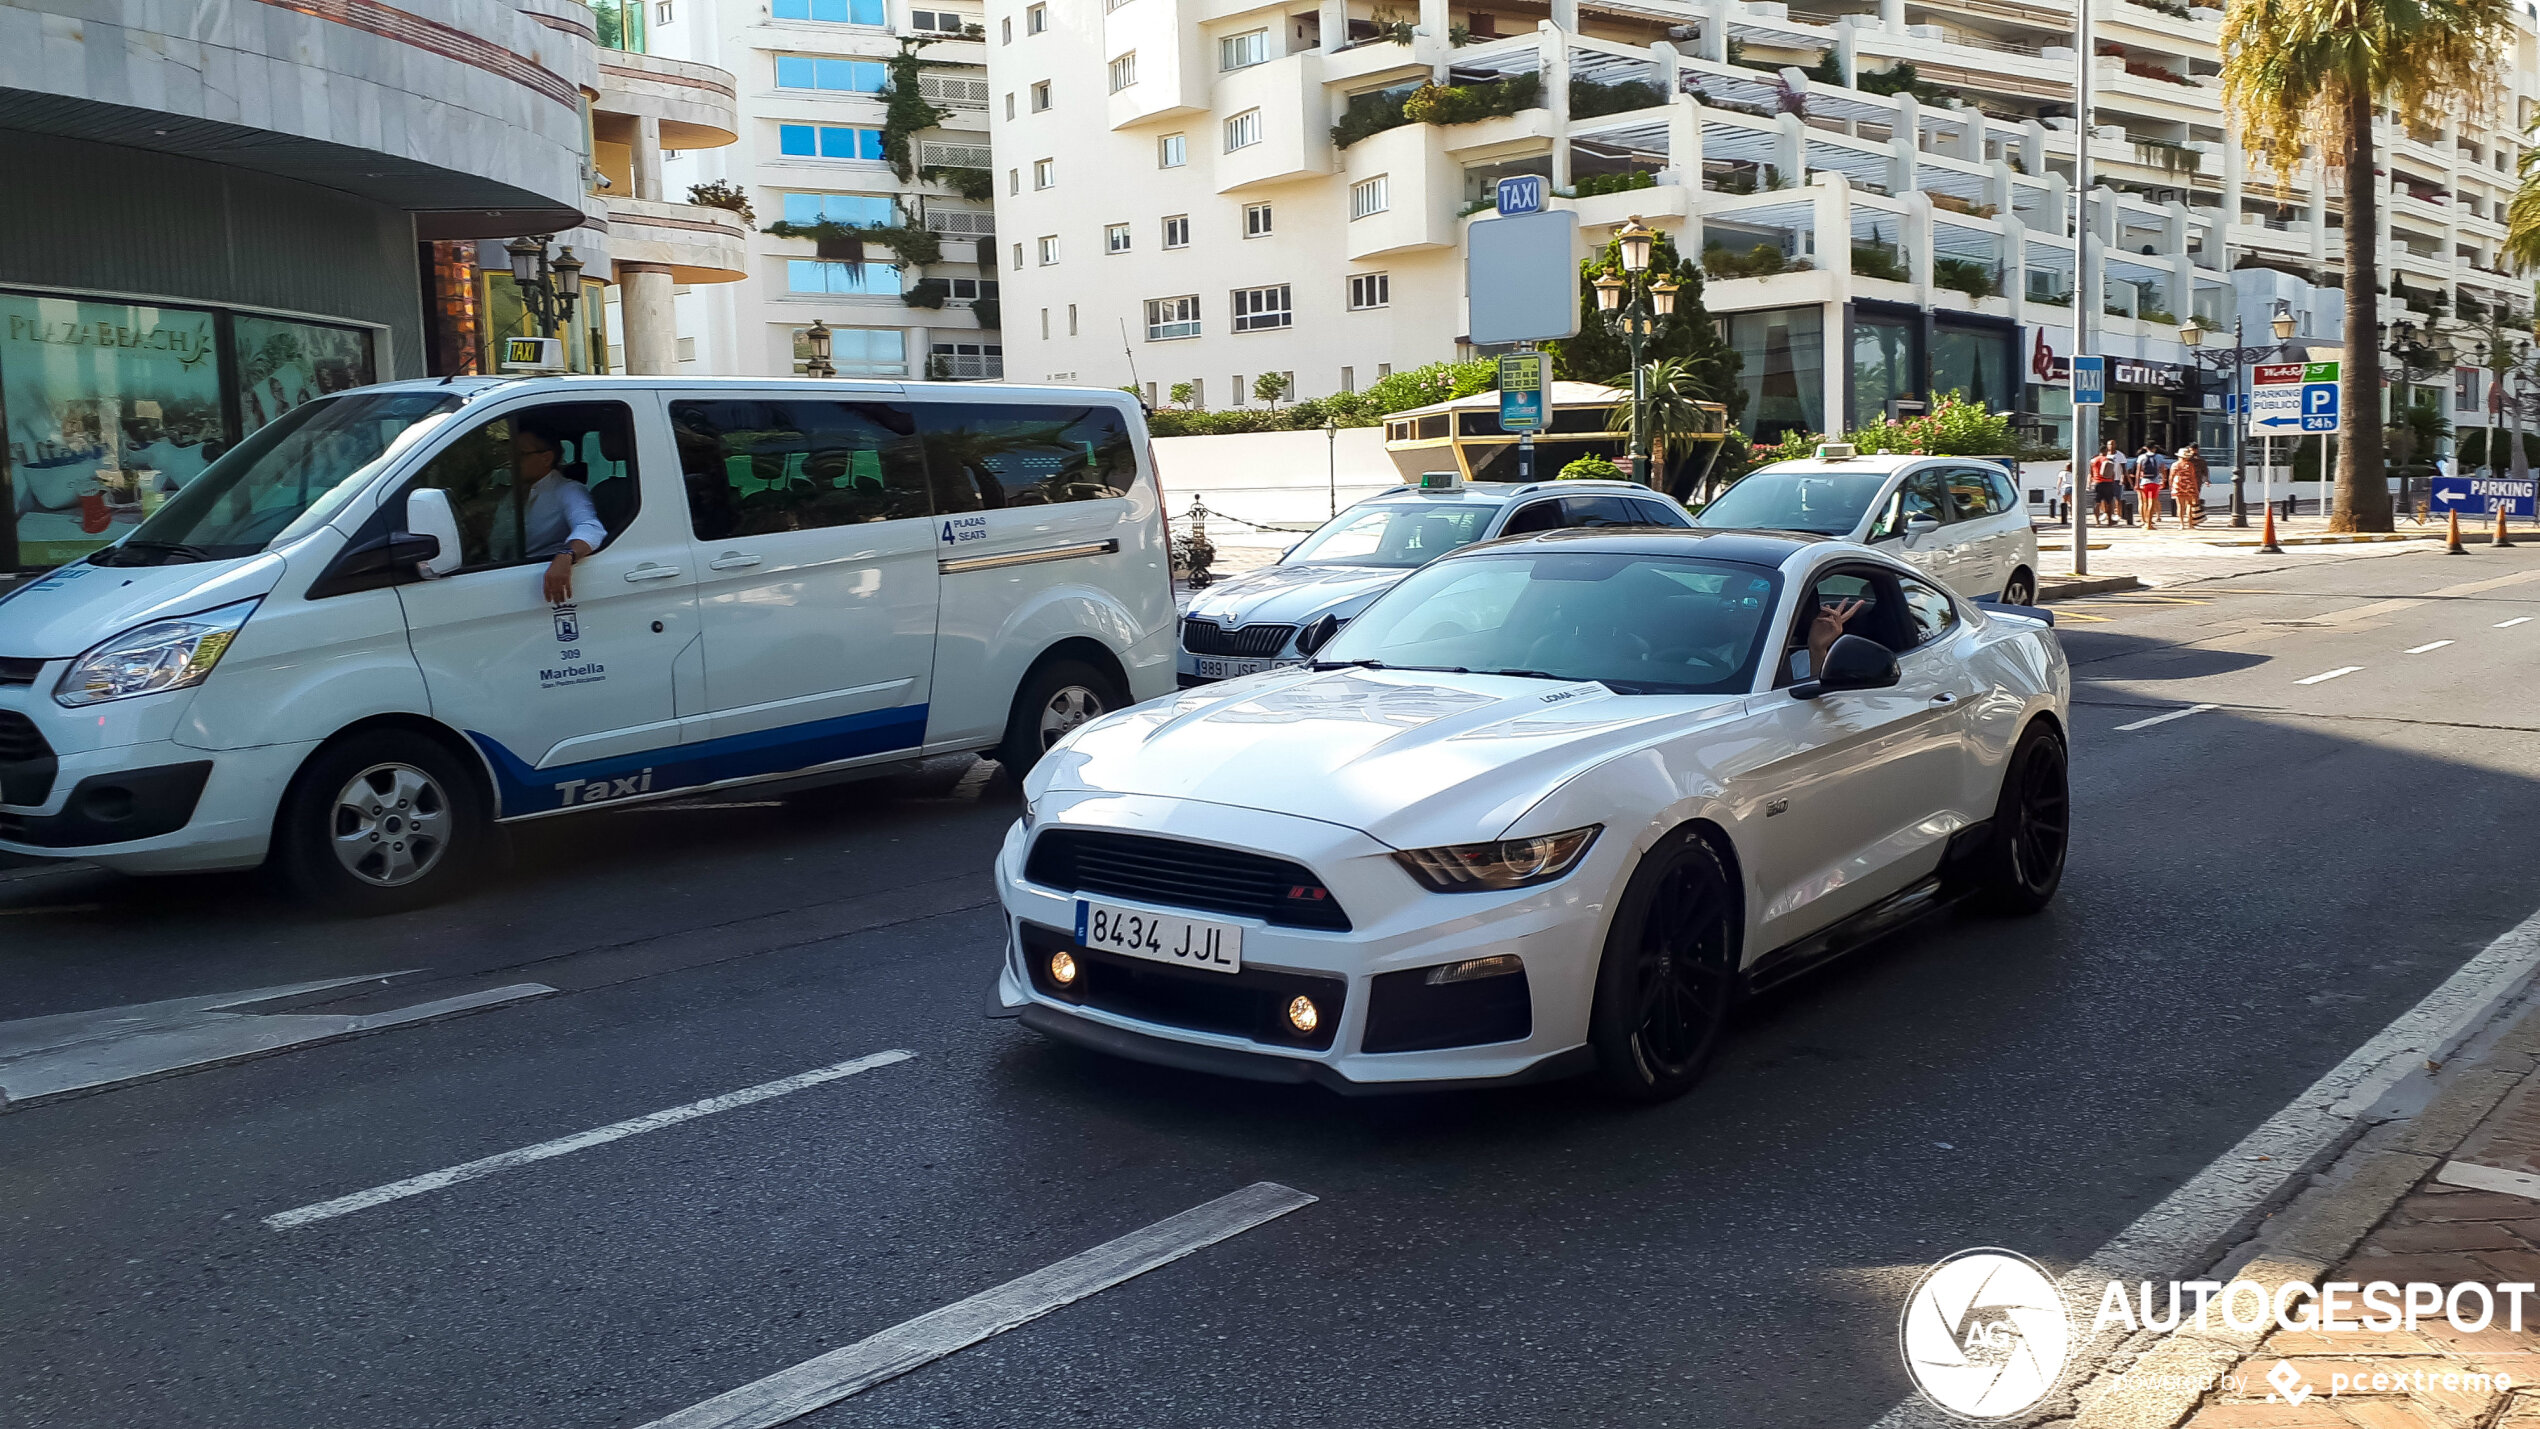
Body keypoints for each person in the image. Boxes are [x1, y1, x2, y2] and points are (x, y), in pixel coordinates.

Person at [497, 427, 608, 603]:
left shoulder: (568, 490)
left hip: (533, 583)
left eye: (520, 454)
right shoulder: (513, 493)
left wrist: (566, 555)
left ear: (546, 458)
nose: (511, 460)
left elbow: (590, 528)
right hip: (497, 575)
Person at [2172, 445, 2208, 530]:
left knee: (2180, 506)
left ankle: (2181, 524)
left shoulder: (2175, 465)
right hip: (2189, 486)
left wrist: (2171, 486)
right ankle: (2190, 524)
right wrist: (2195, 489)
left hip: (2178, 486)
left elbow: (2171, 476)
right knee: (2189, 505)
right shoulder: (2190, 464)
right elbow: (2193, 477)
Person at [2089, 441, 2124, 527]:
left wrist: (2090, 482)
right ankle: (2109, 521)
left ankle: (2097, 522)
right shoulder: (2107, 460)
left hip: (2097, 482)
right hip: (2107, 483)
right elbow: (2112, 472)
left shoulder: (2093, 460)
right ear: (2105, 451)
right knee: (2109, 502)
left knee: (2097, 502)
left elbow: (2091, 473)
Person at [2138, 446, 2170, 530]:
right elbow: (2163, 469)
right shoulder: (2159, 457)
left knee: (2144, 502)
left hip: (2144, 482)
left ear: (2146, 448)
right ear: (2154, 448)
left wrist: (2136, 484)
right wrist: (2164, 480)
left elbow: (2138, 471)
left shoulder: (2141, 457)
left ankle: (2145, 521)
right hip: (2154, 482)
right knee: (2152, 502)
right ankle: (2149, 523)